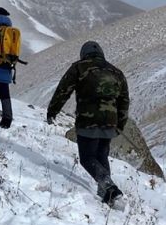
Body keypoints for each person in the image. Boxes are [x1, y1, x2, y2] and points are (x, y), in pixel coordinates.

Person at [46, 41, 129, 205]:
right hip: (110, 122)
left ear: (83, 53)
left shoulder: (79, 67)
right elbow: (124, 100)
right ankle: (105, 194)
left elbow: (63, 90)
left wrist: (52, 111)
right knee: (101, 155)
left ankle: (110, 188)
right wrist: (120, 124)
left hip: (88, 120)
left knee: (87, 158)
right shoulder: (116, 72)